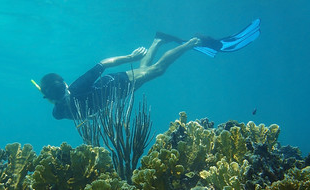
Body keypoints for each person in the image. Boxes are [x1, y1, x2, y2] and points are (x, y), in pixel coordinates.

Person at [35, 19, 261, 120]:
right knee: (147, 70)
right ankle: (158, 40)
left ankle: (194, 41)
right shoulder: (66, 99)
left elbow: (103, 64)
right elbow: (101, 64)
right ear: (63, 85)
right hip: (117, 92)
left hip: (119, 84)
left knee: (157, 69)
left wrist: (130, 57)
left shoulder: (59, 110)